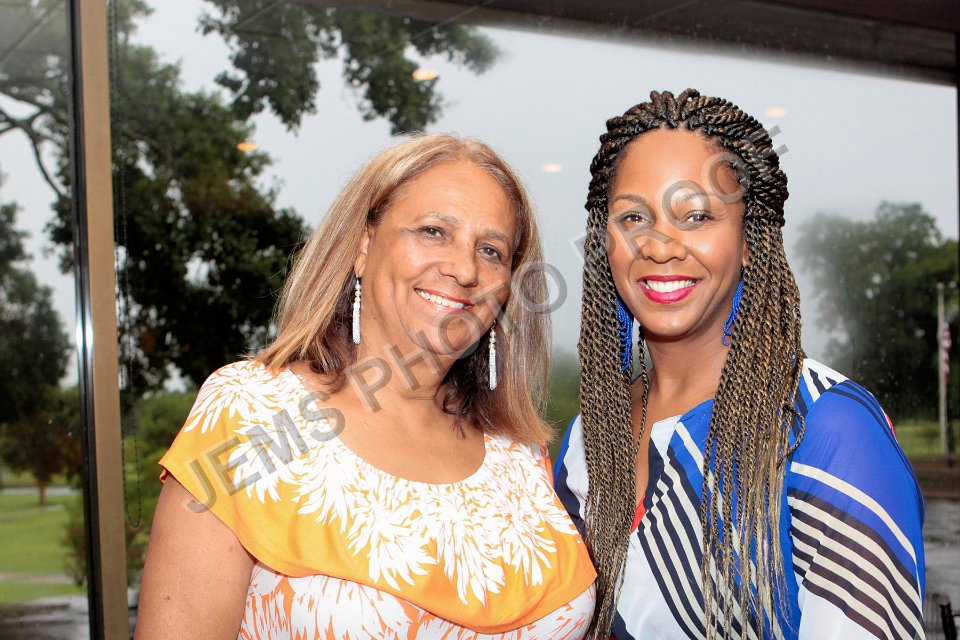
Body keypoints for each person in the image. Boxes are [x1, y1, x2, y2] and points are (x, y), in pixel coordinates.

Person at [136, 134, 596, 639]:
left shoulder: (520, 454)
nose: (465, 269)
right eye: (434, 231)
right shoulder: (250, 413)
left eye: (491, 250)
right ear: (362, 246)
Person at [554, 90, 925, 640]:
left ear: (750, 239)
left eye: (697, 216)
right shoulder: (587, 440)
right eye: (633, 217)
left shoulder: (826, 428)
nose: (659, 246)